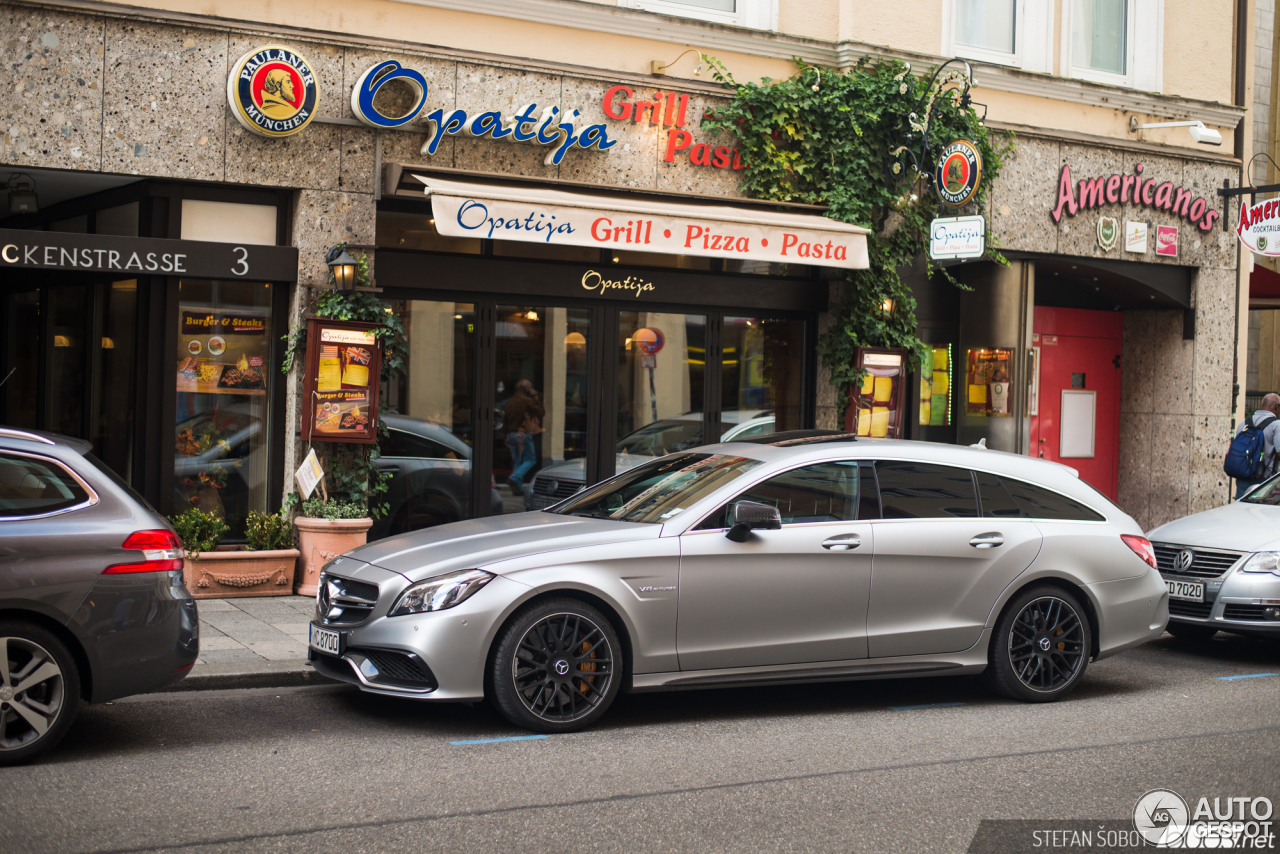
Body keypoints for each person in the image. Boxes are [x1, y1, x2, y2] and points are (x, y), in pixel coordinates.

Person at [1234, 392, 1280, 499]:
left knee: (1240, 510)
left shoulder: (1244, 422)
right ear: (1276, 406)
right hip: (1266, 480)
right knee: (1264, 512)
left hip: (1243, 476)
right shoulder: (1277, 425)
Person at [503, 379, 545, 496]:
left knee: (518, 461)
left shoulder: (509, 401)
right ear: (527, 389)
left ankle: (518, 489)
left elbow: (505, 421)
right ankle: (515, 477)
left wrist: (506, 435)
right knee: (531, 459)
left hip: (511, 434)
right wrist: (535, 396)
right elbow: (541, 412)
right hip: (523, 434)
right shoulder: (527, 401)